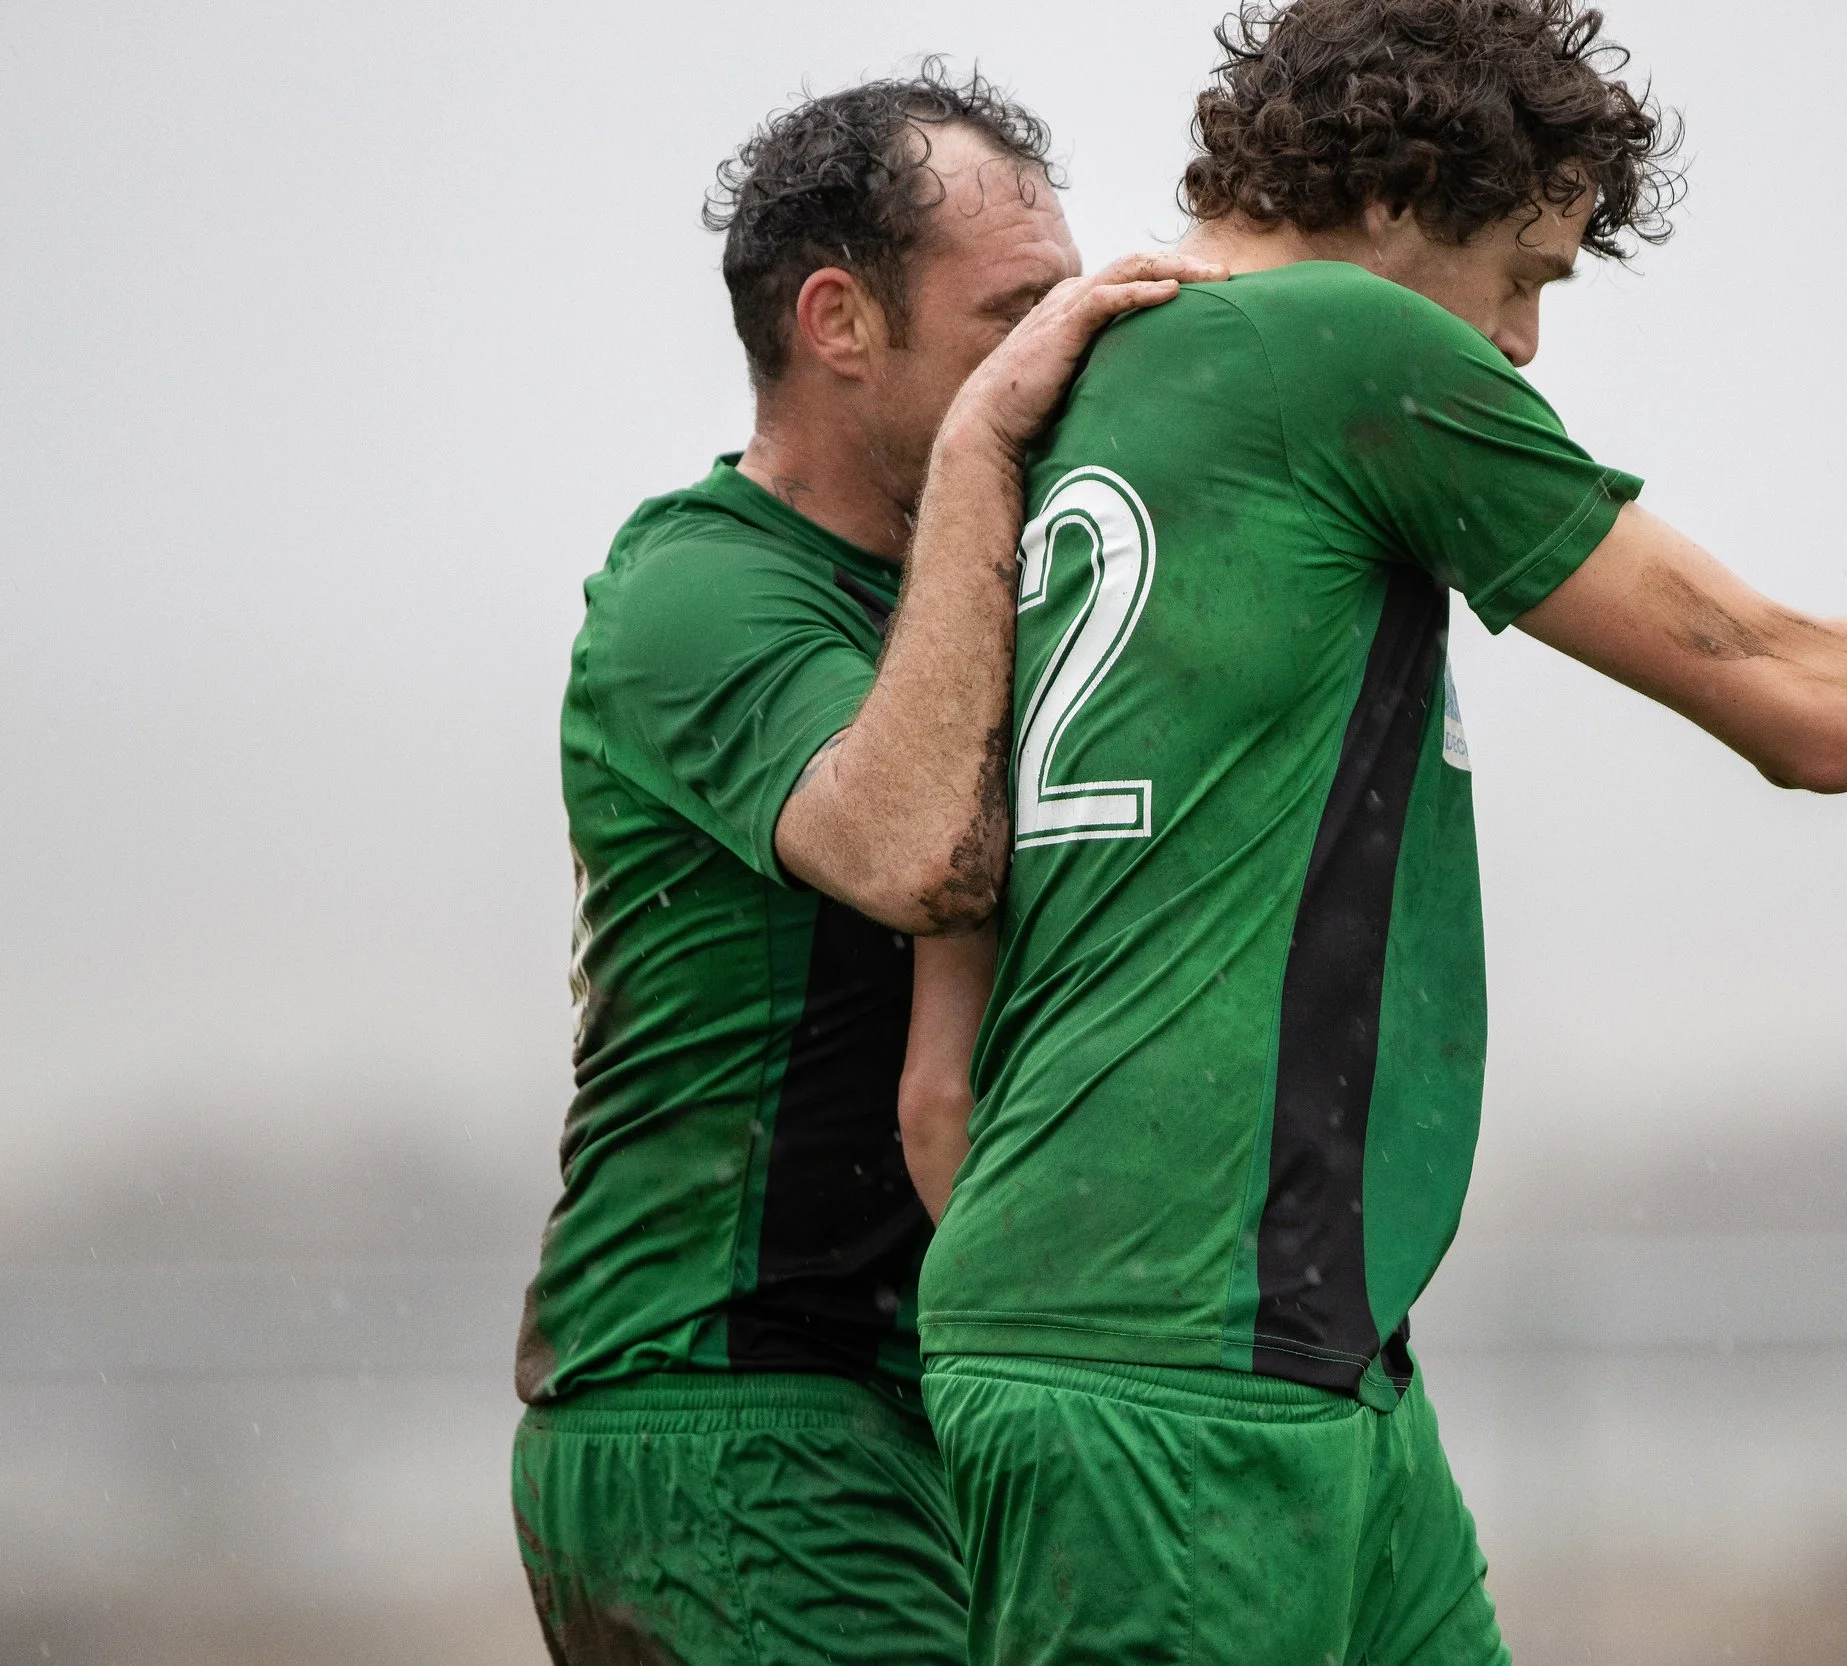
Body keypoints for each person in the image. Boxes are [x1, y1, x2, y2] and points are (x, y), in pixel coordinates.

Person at [894, 3, 1847, 1661]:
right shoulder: (1348, 344)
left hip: (1254, 1341)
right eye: (1529, 276)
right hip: (1187, 1374)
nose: (1522, 347)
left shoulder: (1077, 376)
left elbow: (940, 1080)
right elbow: (1801, 698)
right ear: (1407, 194)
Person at [506, 71, 1220, 1664]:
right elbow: (915, 848)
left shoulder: (1000, 582)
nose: (1065, 355)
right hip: (724, 1404)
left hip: (918, 1408)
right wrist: (983, 459)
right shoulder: (692, 591)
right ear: (839, 322)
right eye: (1016, 316)